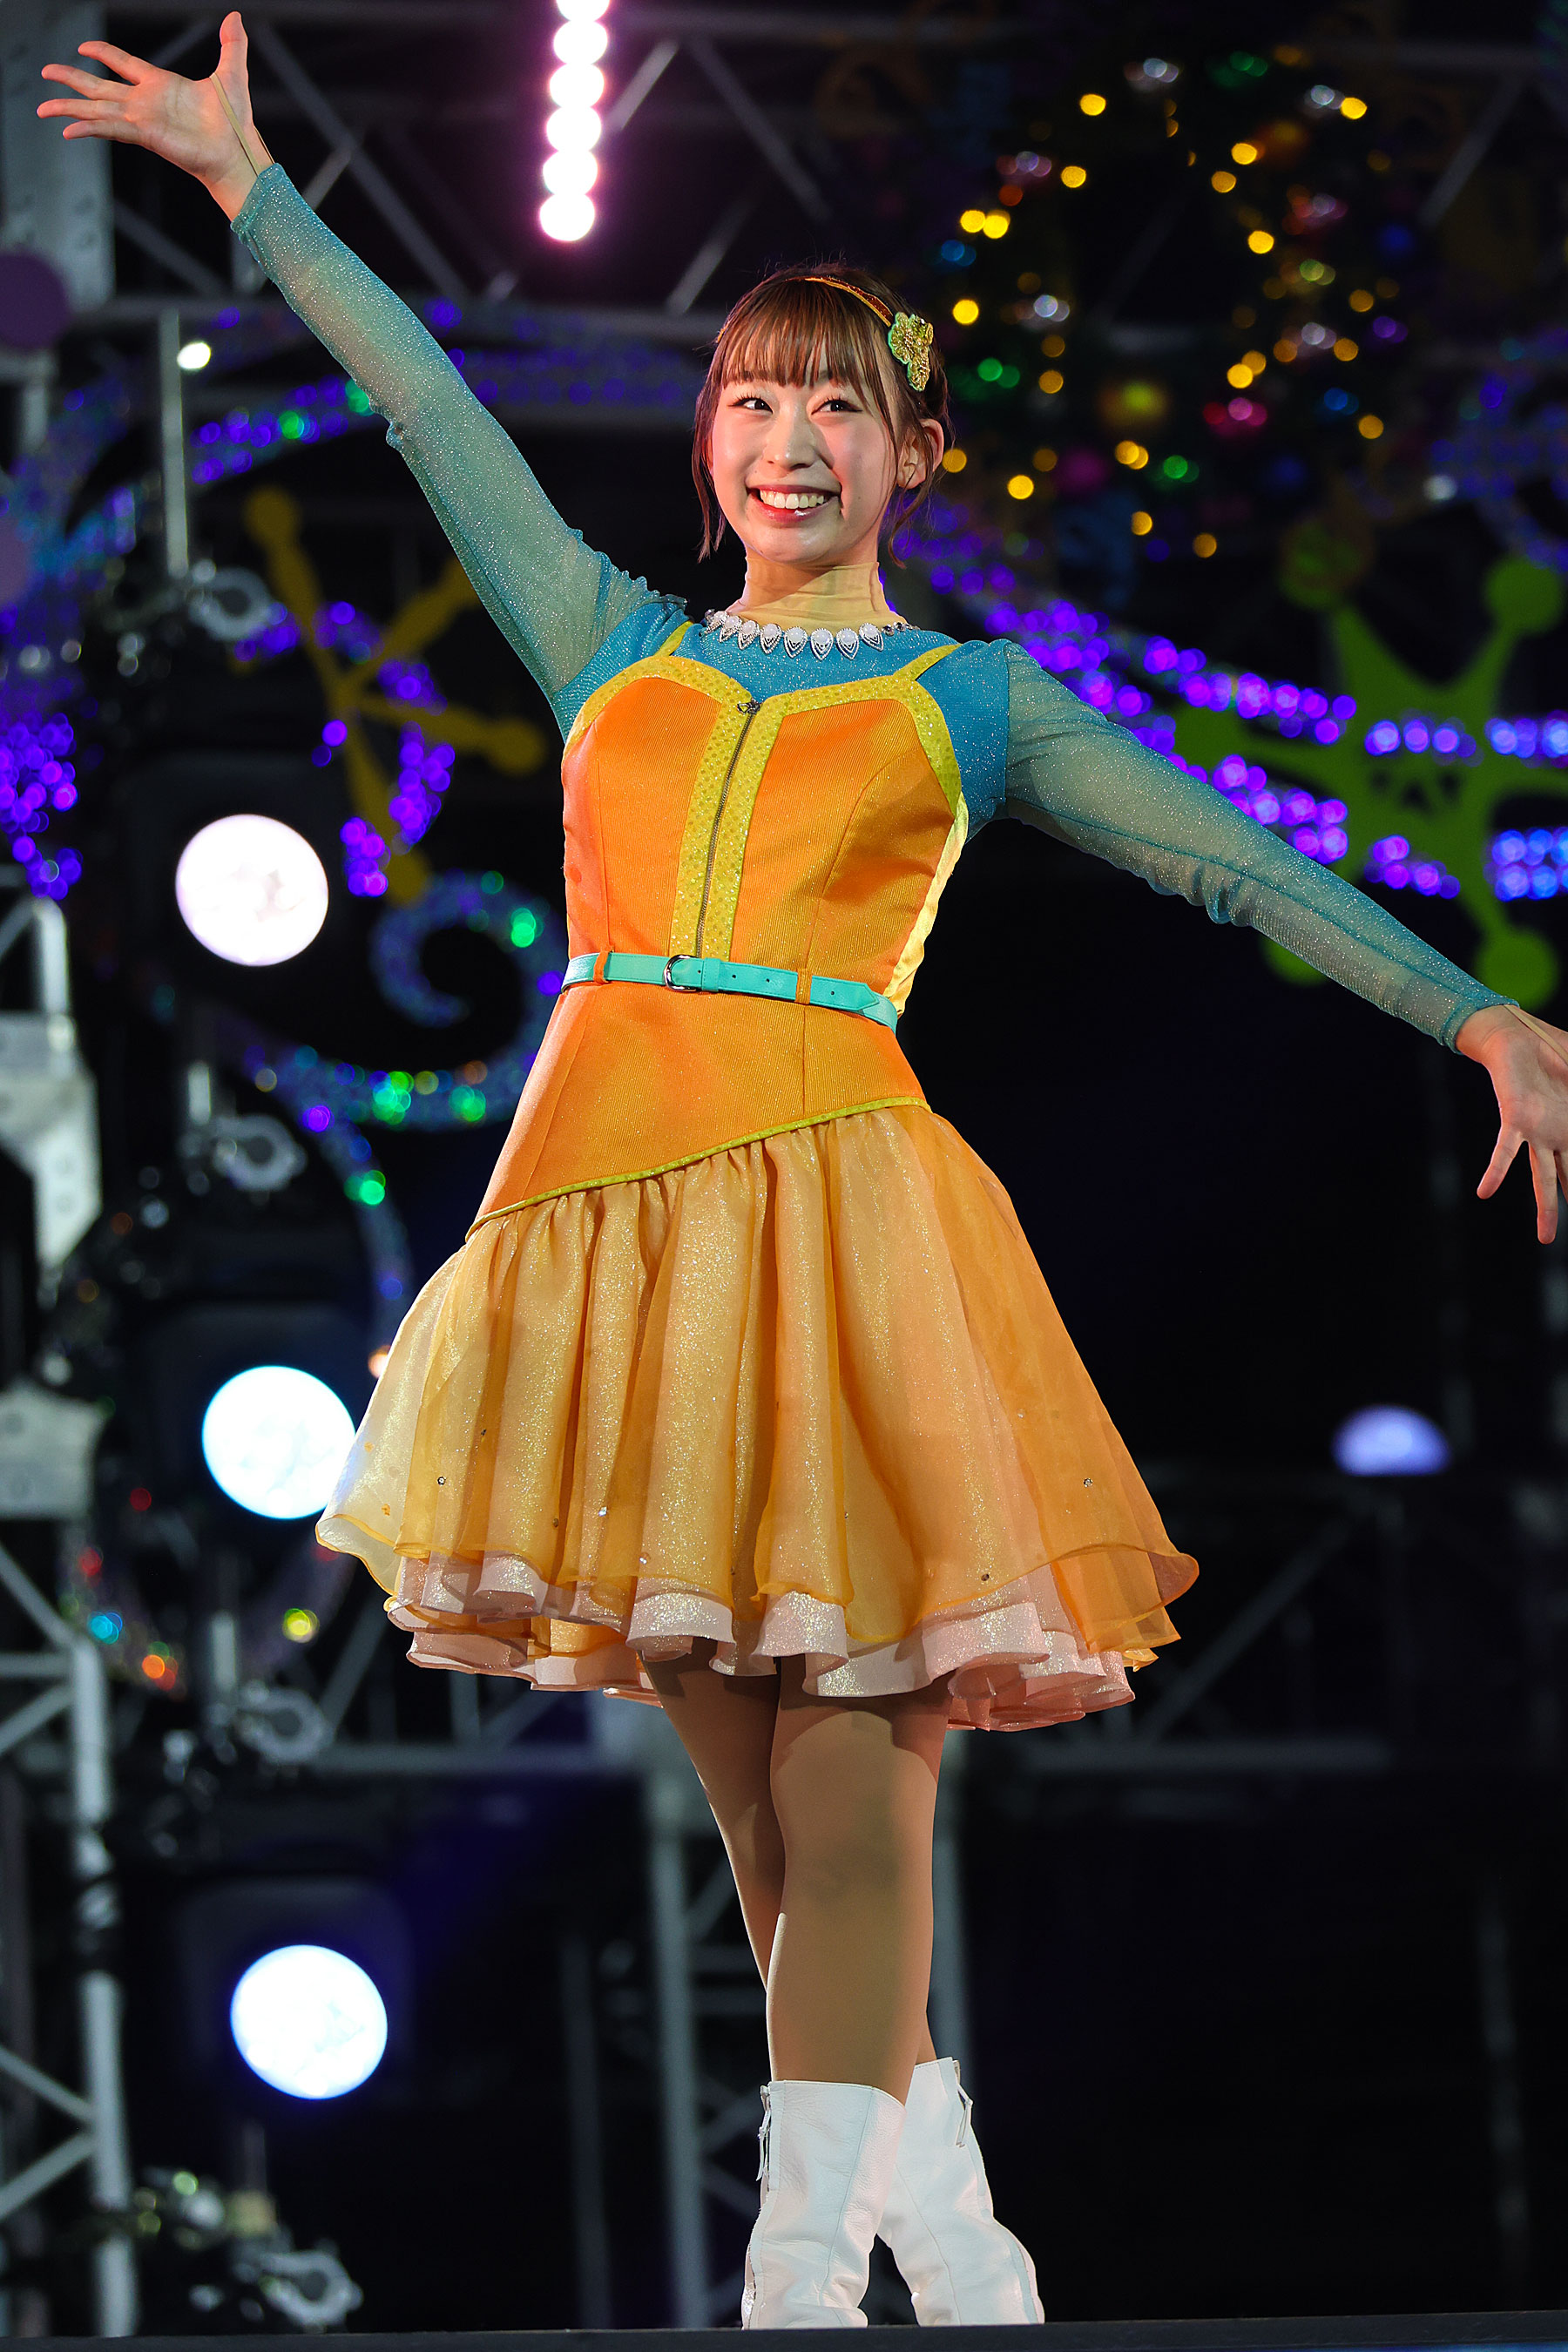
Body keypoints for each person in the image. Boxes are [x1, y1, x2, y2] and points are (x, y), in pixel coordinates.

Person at [42, 16, 1568, 2327]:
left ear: (908, 451)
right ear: (710, 442)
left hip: (841, 1240)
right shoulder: (610, 647)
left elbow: (1238, 861)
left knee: (856, 1804)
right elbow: (428, 406)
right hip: (607, 1256)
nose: (790, 435)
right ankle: (949, 2222)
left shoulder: (968, 701)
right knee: (763, 1830)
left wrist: (1480, 1015)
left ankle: (792, 2269)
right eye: (756, 397)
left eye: (839, 403)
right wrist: (255, 188)